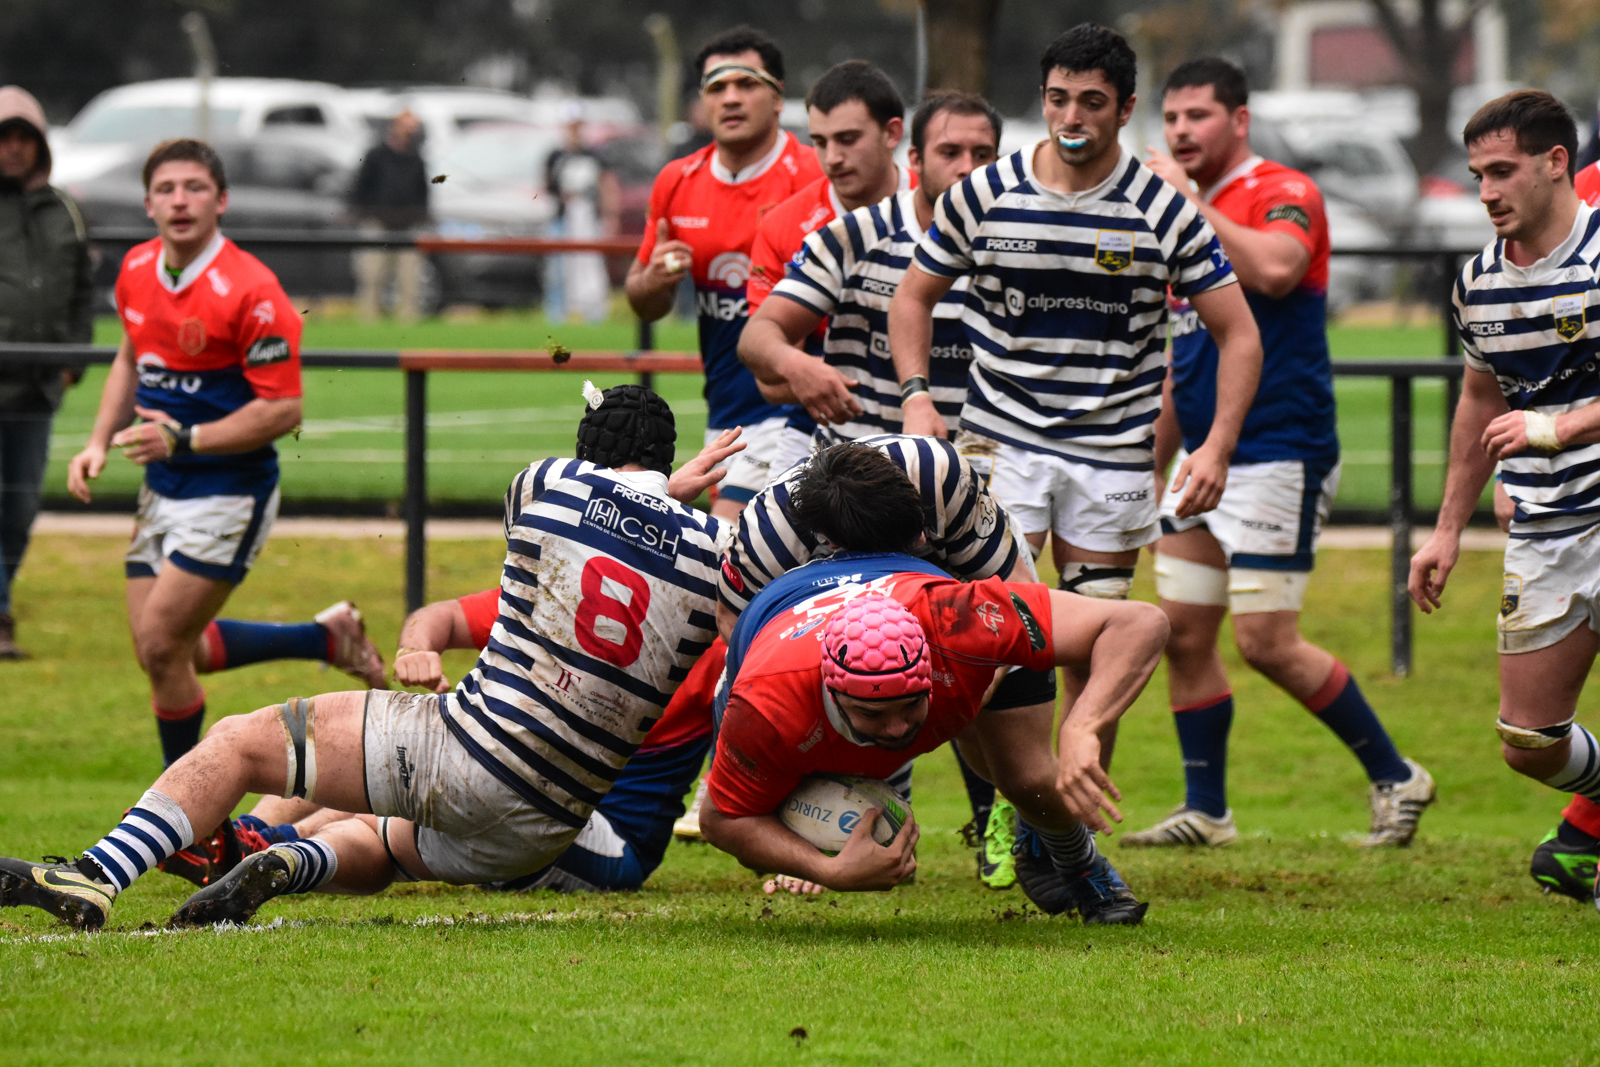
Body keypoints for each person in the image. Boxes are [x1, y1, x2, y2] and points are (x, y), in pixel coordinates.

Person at [0, 386, 743, 930]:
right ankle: (287, 858)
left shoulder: (546, 484)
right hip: (549, 821)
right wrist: (673, 503)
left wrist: (653, 498)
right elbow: (649, 540)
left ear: (589, 449)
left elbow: (601, 519)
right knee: (379, 837)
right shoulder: (711, 561)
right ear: (665, 461)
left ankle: (99, 873)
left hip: (476, 755)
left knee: (240, 739)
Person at [887, 24, 1261, 774]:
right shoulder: (983, 194)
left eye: (1092, 103)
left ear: (1125, 109)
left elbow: (1240, 334)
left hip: (1112, 453)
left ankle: (1072, 809)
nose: (1072, 118)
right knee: (993, 630)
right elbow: (912, 298)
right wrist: (917, 397)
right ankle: (1009, 805)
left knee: (1095, 639)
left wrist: (1216, 443)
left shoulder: (1163, 209)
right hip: (1000, 441)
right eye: (1059, 100)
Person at [1119, 58, 1434, 849]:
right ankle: (1208, 809)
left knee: (1265, 641)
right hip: (1203, 455)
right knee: (1182, 631)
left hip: (1278, 450)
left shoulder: (1284, 191)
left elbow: (1277, 267)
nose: (1182, 131)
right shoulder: (1175, 218)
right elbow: (1179, 357)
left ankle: (1399, 776)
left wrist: (1191, 207)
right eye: (1173, 117)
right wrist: (1150, 463)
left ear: (1240, 121)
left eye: (1200, 115)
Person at [699, 448, 1171, 924]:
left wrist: (1081, 727)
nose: (897, 729)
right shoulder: (766, 697)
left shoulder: (962, 619)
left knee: (1027, 776)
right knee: (769, 808)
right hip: (784, 660)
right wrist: (826, 865)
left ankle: (1082, 865)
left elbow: (1138, 624)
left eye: (909, 705)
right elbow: (722, 818)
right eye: (874, 714)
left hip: (949, 633)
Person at [64, 139, 386, 768]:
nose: (180, 200)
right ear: (148, 203)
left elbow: (283, 410)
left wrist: (186, 439)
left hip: (231, 492)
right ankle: (326, 637)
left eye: (195, 187)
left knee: (161, 646)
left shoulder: (251, 290)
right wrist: (97, 441)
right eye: (166, 189)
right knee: (161, 648)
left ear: (222, 200)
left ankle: (187, 819)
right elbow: (131, 356)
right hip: (163, 487)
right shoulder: (135, 270)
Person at [171, 588, 728, 895]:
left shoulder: (708, 635)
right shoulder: (567, 586)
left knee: (389, 815)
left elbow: (763, 742)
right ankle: (254, 841)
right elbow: (437, 617)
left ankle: (269, 847)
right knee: (365, 761)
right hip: (516, 778)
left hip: (601, 833)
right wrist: (419, 651)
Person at [1409, 89, 1600, 909]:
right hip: (1547, 525)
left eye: (1502, 171)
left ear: (1556, 164)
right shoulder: (1477, 283)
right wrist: (1444, 528)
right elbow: (1480, 403)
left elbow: (1533, 424)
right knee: (1527, 739)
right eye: (1477, 173)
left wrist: (1556, 430)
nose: (1485, 191)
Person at [626, 26, 823, 520]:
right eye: (717, 87)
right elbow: (641, 297)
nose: (731, 98)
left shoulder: (815, 174)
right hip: (730, 414)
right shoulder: (679, 180)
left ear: (778, 98)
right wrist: (655, 280)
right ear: (702, 101)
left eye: (747, 83)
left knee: (734, 546)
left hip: (806, 405)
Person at [739, 91, 1000, 447]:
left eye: (982, 155)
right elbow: (757, 337)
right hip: (857, 466)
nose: (967, 167)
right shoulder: (854, 235)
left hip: (975, 462)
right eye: (950, 152)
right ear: (917, 159)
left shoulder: (1018, 243)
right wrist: (796, 365)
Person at [744, 60, 917, 472]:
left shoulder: (937, 209)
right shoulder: (784, 227)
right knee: (753, 531)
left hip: (935, 418)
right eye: (820, 142)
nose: (832, 158)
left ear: (892, 132)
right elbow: (768, 381)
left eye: (848, 139)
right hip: (825, 419)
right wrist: (797, 367)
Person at [0, 85, 92, 659]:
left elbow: (83, 293)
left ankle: (2, 600)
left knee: (20, 504)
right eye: (4, 138)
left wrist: (73, 362)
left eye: (23, 139)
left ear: (40, 146)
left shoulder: (65, 211)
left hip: (39, 385)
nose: (13, 149)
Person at [349, 111, 429, 322]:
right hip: (378, 223)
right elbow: (360, 187)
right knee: (372, 276)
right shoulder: (376, 155)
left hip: (407, 225)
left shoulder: (416, 159)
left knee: (409, 279)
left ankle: (407, 321)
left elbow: (423, 192)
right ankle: (369, 319)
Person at [544, 105, 621, 324]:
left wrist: (610, 217)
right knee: (558, 269)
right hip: (563, 218)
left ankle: (594, 313)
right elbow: (547, 186)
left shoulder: (594, 156)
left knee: (592, 266)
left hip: (589, 219)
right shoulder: (556, 156)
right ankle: (557, 315)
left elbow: (608, 186)